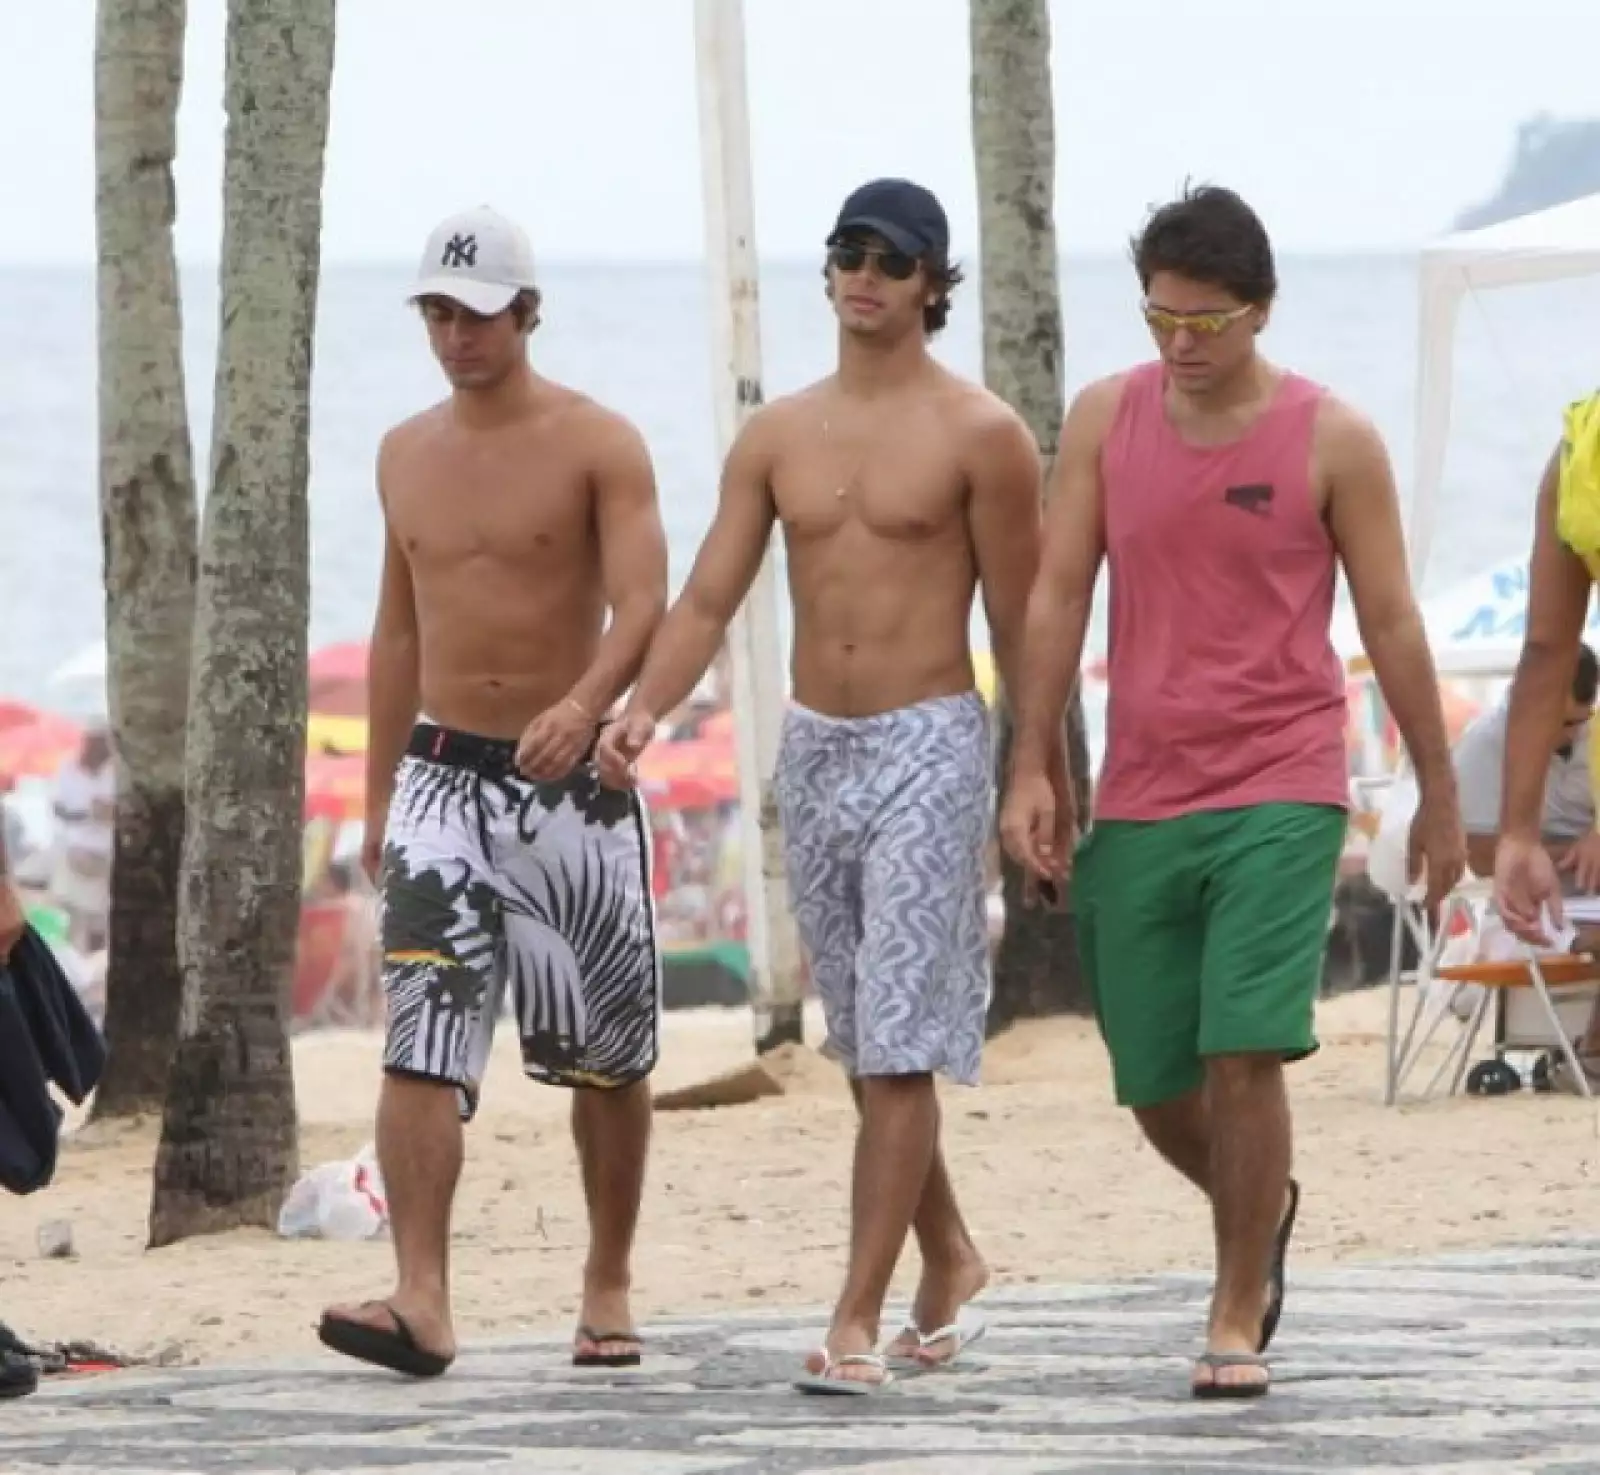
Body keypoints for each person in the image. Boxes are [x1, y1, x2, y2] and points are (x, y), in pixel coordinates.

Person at [1000, 184, 1466, 1400]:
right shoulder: (1107, 418)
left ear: (1259, 310)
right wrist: (1034, 759)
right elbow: (1056, 596)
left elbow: (1393, 618)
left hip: (1283, 778)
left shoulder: (1331, 438)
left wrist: (1439, 787)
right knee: (1153, 1076)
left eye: (1205, 321)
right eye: (1160, 315)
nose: (1180, 344)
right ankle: (1260, 1207)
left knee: (1241, 1046)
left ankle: (1232, 1303)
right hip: (1146, 788)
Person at [596, 178, 1045, 1394]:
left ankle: (854, 1313)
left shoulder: (982, 434)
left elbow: (1028, 613)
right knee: (866, 1039)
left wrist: (1034, 766)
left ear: (931, 285)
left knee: (895, 1045)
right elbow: (704, 597)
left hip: (933, 743)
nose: (864, 275)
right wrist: (639, 708)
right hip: (818, 747)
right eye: (848, 252)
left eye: (892, 260)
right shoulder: (778, 434)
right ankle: (948, 1253)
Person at [317, 205, 669, 1378]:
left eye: (473, 313)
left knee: (604, 1055)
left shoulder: (597, 442)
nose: (454, 335)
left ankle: (607, 1277)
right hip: (440, 781)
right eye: (435, 312)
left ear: (525, 310)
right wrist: (377, 797)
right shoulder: (401, 451)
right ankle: (422, 1296)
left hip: (568, 789)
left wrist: (588, 702)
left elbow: (644, 601)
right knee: (418, 1039)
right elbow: (393, 628)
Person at [1496, 391, 1600, 944]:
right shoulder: (1578, 456)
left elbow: (1547, 651)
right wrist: (1517, 832)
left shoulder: (1581, 451)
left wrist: (1518, 832)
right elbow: (1547, 651)